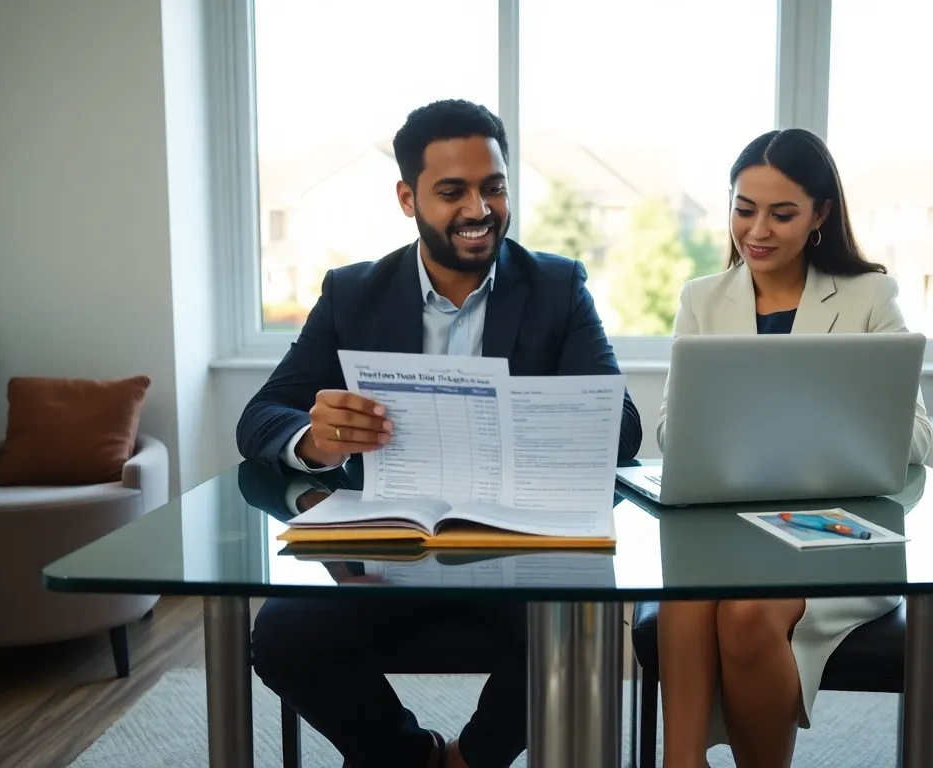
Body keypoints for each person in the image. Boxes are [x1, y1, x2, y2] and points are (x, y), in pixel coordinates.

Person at [236, 99, 643, 768]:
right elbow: (260, 416)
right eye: (452, 191)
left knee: (578, 631)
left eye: (494, 186)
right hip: (387, 551)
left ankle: (468, 762)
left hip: (519, 554)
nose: (479, 208)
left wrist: (529, 418)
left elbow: (620, 427)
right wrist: (315, 440)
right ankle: (408, 757)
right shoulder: (352, 293)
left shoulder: (557, 286)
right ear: (408, 196)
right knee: (282, 637)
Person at [653, 128, 932, 768]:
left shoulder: (868, 296)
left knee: (747, 612)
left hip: (835, 534)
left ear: (820, 215)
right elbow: (671, 434)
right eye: (744, 208)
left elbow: (916, 439)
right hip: (728, 531)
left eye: (781, 214)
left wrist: (828, 425)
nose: (758, 230)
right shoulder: (702, 299)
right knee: (688, 592)